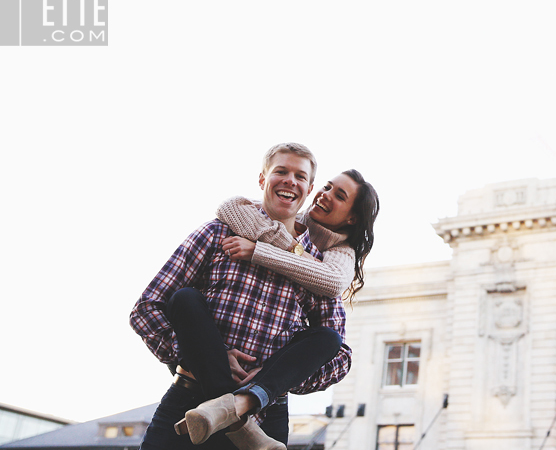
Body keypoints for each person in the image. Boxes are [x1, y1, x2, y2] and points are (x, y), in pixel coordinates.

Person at [130, 144, 377, 450]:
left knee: (326, 337)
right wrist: (208, 359)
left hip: (267, 413)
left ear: (308, 188)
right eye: (281, 171)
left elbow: (339, 358)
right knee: (184, 298)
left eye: (300, 176)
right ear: (263, 180)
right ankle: (241, 426)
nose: (290, 180)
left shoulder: (316, 266)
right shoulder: (217, 233)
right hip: (189, 403)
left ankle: (240, 407)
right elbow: (146, 308)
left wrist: (272, 377)